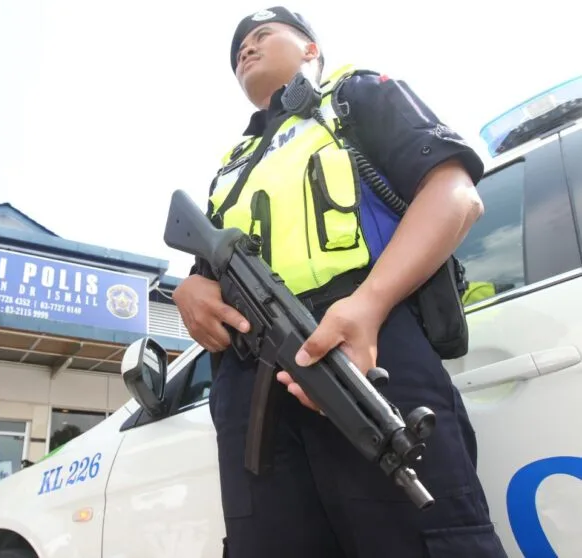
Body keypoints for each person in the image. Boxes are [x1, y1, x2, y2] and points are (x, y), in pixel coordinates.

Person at [172, 6, 509, 557]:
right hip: (248, 377)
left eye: (263, 36)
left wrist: (369, 305)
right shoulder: (232, 163)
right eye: (238, 50)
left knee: (420, 540)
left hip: (364, 345)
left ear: (310, 49)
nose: (246, 50)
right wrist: (189, 291)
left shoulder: (353, 97)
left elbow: (455, 195)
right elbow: (208, 269)